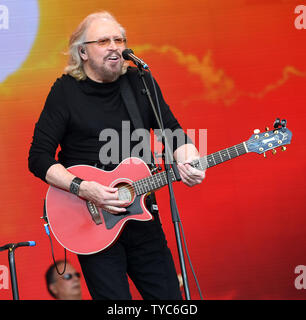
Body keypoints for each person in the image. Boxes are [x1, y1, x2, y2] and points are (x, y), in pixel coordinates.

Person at [29, 11, 205, 300]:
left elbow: (171, 130)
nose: (114, 46)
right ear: (82, 51)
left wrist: (190, 159)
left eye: (119, 39)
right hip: (92, 222)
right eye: (104, 40)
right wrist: (84, 188)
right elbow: (38, 157)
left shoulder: (139, 81)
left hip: (143, 216)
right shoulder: (65, 91)